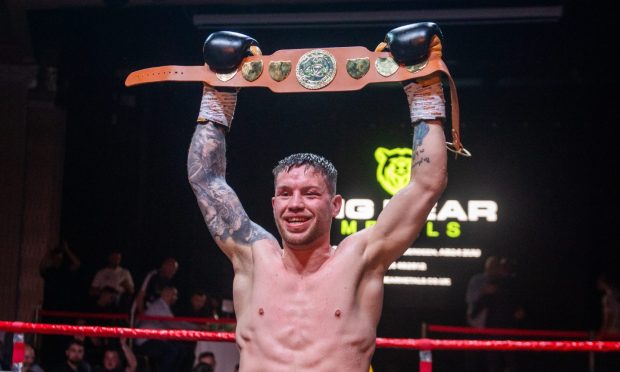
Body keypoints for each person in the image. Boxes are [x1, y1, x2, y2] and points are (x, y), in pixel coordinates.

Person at [187, 24, 448, 371]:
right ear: (274, 203)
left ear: (335, 205)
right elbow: (205, 178)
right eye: (285, 193)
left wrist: (424, 86)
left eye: (310, 193)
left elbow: (427, 183)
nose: (296, 203)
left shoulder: (362, 259)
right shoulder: (252, 256)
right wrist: (217, 93)